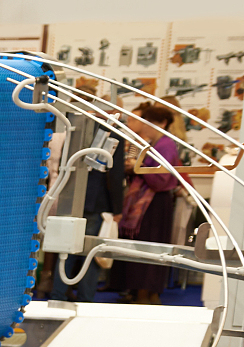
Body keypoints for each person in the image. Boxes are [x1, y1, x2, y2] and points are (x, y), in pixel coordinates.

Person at [53, 93, 126, 303]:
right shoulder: (114, 134)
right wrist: (117, 207)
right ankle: (85, 299)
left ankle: (58, 295)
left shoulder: (76, 127)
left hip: (71, 198)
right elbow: (115, 173)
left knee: (65, 251)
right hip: (97, 203)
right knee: (91, 254)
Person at [113, 103, 184, 303]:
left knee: (150, 247)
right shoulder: (156, 143)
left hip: (155, 204)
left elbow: (162, 178)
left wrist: (138, 168)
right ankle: (145, 292)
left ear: (156, 123)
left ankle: (146, 292)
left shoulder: (165, 144)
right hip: (151, 203)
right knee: (147, 246)